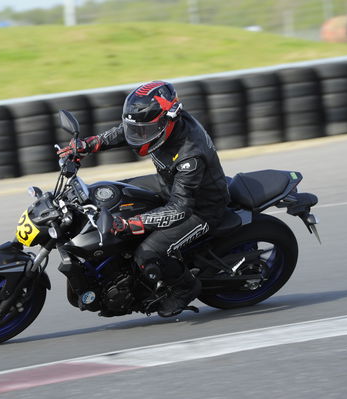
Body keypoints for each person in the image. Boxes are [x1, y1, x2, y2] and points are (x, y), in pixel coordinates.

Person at [57, 81, 231, 317]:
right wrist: (89, 144)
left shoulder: (190, 154)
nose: (141, 135)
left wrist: (130, 224)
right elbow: (127, 130)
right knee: (111, 194)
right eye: (139, 128)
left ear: (169, 119)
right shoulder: (161, 122)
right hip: (168, 184)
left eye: (146, 129)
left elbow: (180, 208)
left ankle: (184, 288)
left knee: (147, 253)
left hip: (200, 208)